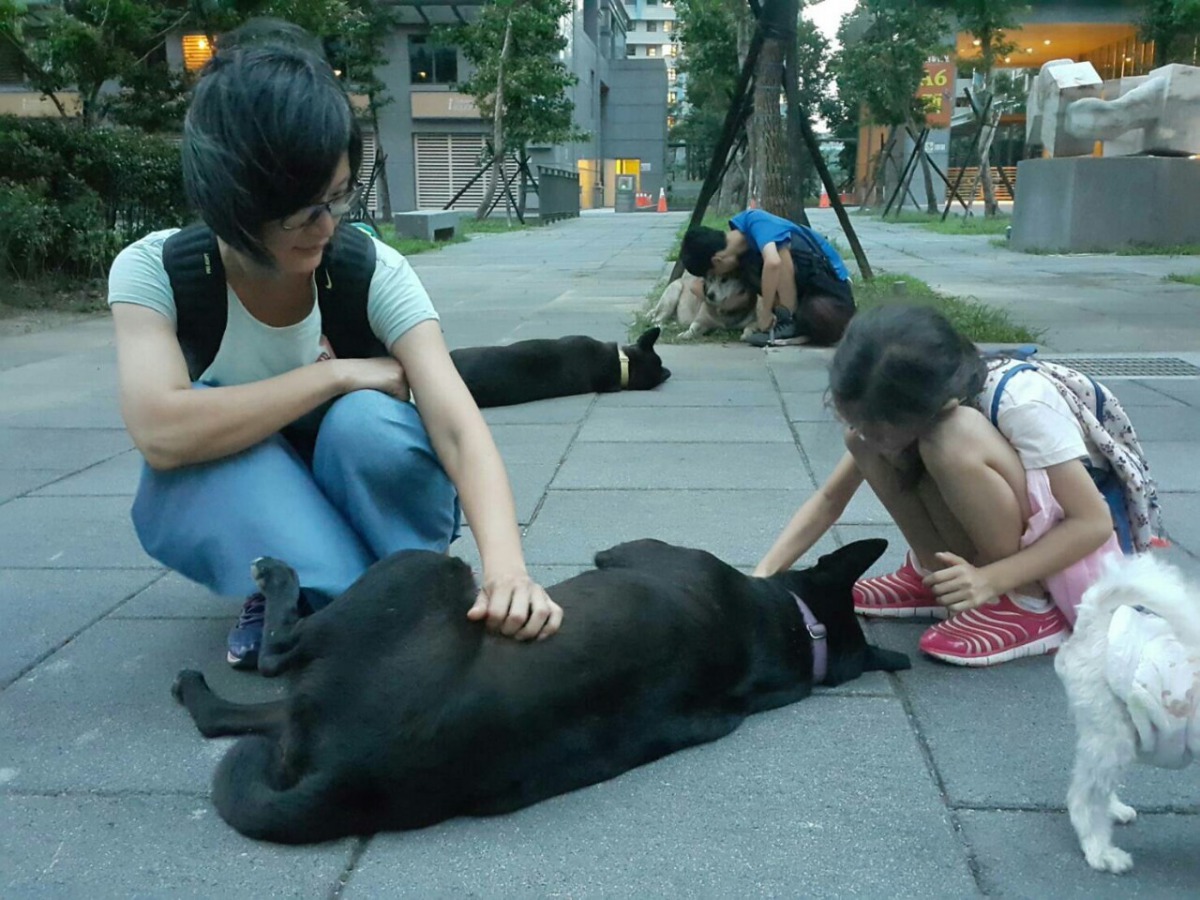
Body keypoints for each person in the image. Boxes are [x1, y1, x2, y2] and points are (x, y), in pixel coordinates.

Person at [107, 20, 561, 670]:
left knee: (369, 423)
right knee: (210, 430)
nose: (325, 225)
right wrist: (337, 375)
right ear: (232, 195)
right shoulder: (158, 273)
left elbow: (458, 426)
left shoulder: (367, 269)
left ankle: (376, 586)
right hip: (253, 483)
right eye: (300, 209)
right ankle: (309, 587)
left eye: (337, 197)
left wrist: (508, 572)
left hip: (359, 483)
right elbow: (160, 430)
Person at [752, 306, 1130, 667]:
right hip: (1007, 531)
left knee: (949, 439)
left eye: (880, 429)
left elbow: (1092, 523)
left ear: (924, 405)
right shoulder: (910, 405)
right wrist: (760, 580)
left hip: (1065, 554)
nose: (870, 436)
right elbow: (831, 498)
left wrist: (990, 579)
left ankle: (1026, 603)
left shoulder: (1022, 401)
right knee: (868, 442)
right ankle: (938, 577)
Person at [679, 208, 855, 347]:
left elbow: (774, 263)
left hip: (830, 292)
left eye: (714, 274)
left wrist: (765, 314)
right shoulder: (741, 249)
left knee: (780, 255)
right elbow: (696, 286)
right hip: (804, 292)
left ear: (717, 261)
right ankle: (790, 323)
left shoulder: (755, 221)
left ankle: (789, 321)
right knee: (755, 268)